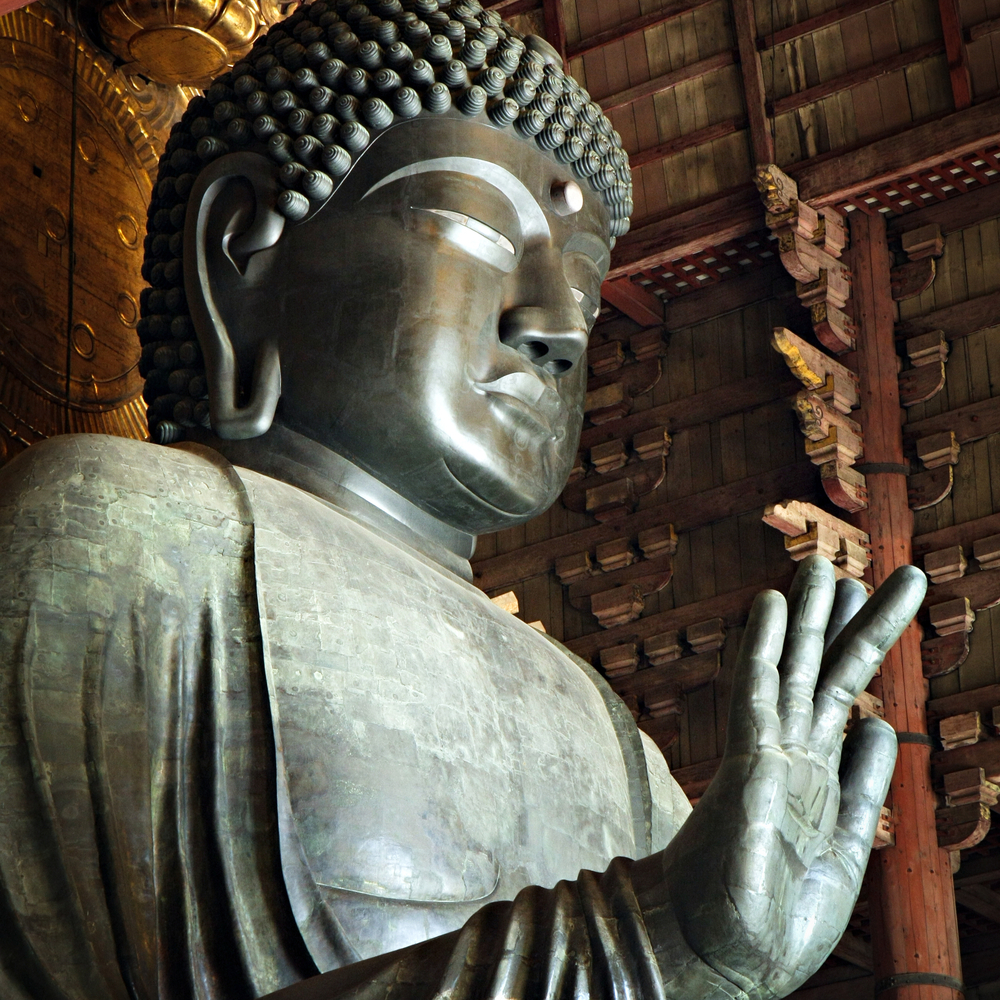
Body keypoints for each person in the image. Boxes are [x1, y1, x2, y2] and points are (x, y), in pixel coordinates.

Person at [0, 2, 925, 998]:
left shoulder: (614, 738)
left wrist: (710, 960)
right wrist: (642, 950)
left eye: (582, 276)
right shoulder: (118, 539)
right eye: (479, 227)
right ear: (242, 251)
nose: (560, 326)